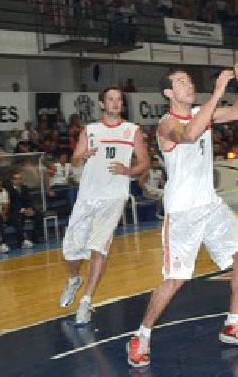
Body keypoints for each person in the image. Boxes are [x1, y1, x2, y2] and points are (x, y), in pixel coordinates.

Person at [126, 66, 238, 368]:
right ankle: (141, 336)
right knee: (175, 279)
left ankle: (233, 324)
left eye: (189, 80)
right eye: (180, 83)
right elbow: (188, 134)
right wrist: (217, 92)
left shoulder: (204, 112)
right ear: (168, 94)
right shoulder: (166, 124)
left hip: (210, 204)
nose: (188, 85)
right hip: (183, 211)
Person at [58, 87, 149, 325]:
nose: (116, 103)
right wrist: (83, 155)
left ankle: (86, 302)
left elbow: (145, 163)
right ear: (101, 104)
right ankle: (74, 279)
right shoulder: (90, 130)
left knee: (99, 249)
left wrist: (127, 171)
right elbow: (76, 159)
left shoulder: (132, 130)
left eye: (119, 100)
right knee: (71, 250)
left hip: (114, 197)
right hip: (88, 195)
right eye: (111, 99)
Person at [6, 171, 44, 247]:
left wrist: (30, 209)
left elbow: (29, 200)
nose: (18, 180)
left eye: (20, 178)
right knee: (18, 218)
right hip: (15, 211)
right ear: (12, 180)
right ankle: (21, 241)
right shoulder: (8, 190)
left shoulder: (24, 188)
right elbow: (11, 204)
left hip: (26, 209)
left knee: (39, 214)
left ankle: (35, 237)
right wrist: (23, 210)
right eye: (16, 179)